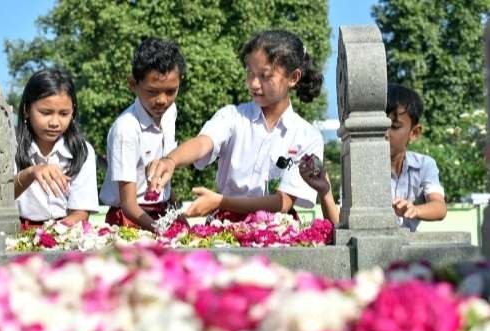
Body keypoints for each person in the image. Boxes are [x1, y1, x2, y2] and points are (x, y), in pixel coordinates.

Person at [146, 30, 324, 221]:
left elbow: (283, 203)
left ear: (293, 78)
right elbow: (203, 143)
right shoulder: (233, 116)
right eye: (250, 73)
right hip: (224, 225)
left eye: (265, 76)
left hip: (276, 230)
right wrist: (171, 160)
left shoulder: (307, 136)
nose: (254, 84)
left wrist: (221, 202)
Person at [99, 37, 186, 231]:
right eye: (152, 91)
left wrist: (177, 211)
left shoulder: (169, 113)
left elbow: (162, 177)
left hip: (162, 211)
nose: (162, 100)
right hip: (131, 220)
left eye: (170, 91)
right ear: (133, 84)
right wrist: (160, 229)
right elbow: (128, 205)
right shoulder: (126, 130)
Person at [14, 68, 98, 230]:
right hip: (15, 232)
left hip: (65, 232)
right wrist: (30, 173)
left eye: (64, 113)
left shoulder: (81, 151)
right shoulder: (10, 147)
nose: (55, 122)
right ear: (26, 110)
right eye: (45, 113)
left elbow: (80, 214)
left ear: (73, 111)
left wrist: (49, 234)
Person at [386, 84, 446, 231]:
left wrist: (415, 210)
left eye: (394, 126)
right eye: (379, 126)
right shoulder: (363, 167)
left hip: (409, 248)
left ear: (414, 133)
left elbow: (439, 207)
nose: (385, 134)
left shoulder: (425, 165)